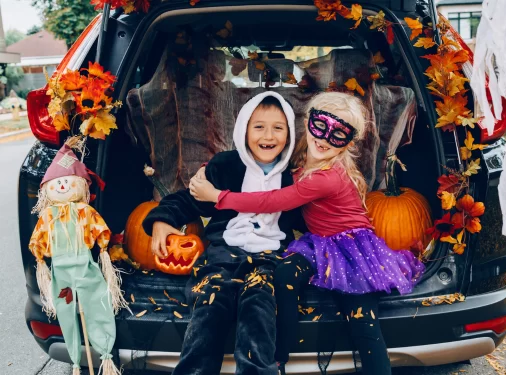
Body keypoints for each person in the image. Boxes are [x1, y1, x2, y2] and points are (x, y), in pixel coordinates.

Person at [189, 92, 426, 375]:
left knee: (362, 319)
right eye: (320, 126)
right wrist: (212, 170)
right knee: (285, 274)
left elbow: (272, 201)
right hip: (319, 243)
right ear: (308, 123)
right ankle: (280, 355)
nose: (324, 139)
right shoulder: (303, 154)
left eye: (338, 134)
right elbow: (255, 163)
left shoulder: (327, 178)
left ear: (348, 142)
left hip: (351, 248)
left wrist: (218, 195)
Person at [142, 92, 302, 375]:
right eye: (259, 126)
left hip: (269, 256)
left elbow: (314, 215)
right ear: (243, 128)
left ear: (289, 134)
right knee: (211, 302)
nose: (268, 135)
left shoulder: (295, 176)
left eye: (278, 127)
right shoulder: (226, 165)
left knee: (259, 306)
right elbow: (190, 198)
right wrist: (162, 219)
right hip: (222, 251)